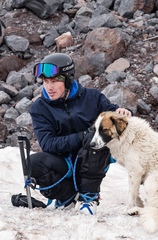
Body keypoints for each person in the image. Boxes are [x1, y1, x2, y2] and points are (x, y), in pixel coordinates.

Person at [29, 53, 132, 215]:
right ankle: (67, 196)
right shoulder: (39, 108)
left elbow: (114, 117)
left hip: (93, 158)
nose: (49, 87)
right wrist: (81, 137)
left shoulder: (93, 97)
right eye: (46, 82)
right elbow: (48, 144)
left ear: (68, 80)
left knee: (97, 137)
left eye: (55, 81)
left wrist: (123, 112)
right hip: (64, 163)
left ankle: (89, 197)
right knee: (32, 163)